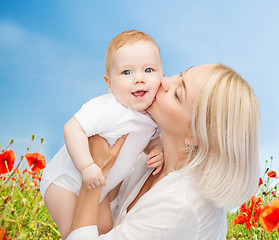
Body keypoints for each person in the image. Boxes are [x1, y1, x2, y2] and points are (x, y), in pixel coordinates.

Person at [66, 64, 261, 240]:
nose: (164, 81)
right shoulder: (156, 159)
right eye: (180, 75)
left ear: (197, 136)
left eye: (177, 94)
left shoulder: (183, 205)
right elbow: (109, 223)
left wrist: (95, 174)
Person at [40, 30, 165, 239]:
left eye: (149, 69)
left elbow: (150, 139)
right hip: (65, 183)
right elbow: (72, 128)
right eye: (127, 72)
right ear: (109, 83)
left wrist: (157, 149)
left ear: (162, 74)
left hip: (100, 189)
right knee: (73, 230)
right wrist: (87, 166)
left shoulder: (153, 115)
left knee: (106, 230)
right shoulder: (108, 109)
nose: (139, 79)